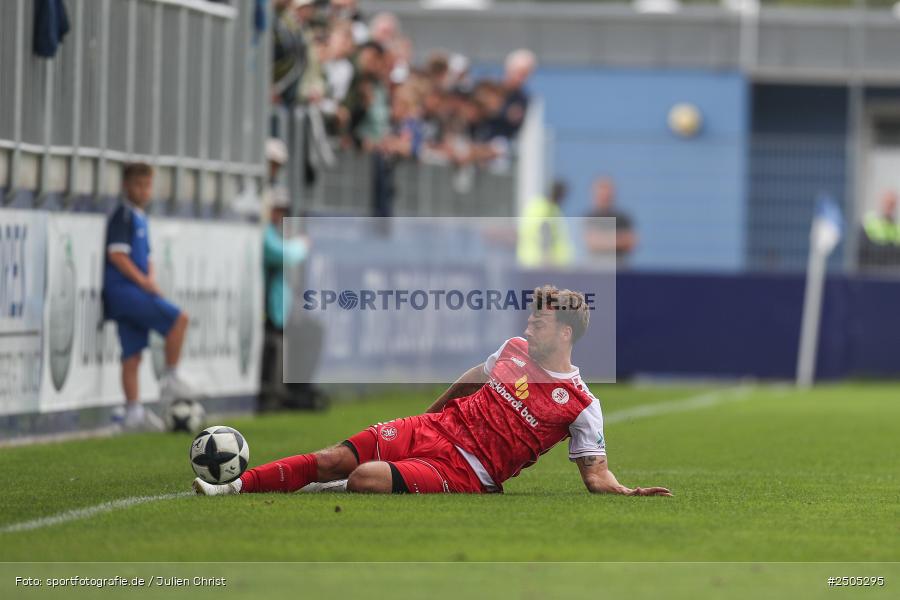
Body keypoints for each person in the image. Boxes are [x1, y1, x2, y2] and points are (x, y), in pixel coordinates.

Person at [194, 285, 672, 497]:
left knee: (364, 479)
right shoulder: (513, 348)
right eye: (531, 316)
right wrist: (426, 417)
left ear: (565, 333)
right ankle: (233, 486)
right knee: (331, 458)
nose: (530, 323)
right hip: (433, 429)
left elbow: (596, 475)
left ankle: (332, 487)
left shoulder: (583, 405)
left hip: (469, 470)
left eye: (540, 320)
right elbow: (472, 377)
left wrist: (627, 491)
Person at [103, 163, 192, 431]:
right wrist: (144, 283)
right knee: (179, 319)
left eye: (147, 185)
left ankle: (132, 413)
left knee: (132, 355)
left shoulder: (140, 217)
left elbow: (148, 256)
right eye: (138, 185)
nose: (143, 190)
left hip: (134, 292)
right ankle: (171, 380)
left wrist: (150, 279)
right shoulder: (123, 216)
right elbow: (116, 254)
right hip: (125, 292)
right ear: (126, 186)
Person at [517, 181, 574, 268]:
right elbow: (545, 229)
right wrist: (547, 256)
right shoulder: (545, 208)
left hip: (534, 262)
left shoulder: (540, 206)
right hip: (541, 263)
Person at [584, 176, 637, 261]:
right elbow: (587, 243)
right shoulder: (587, 218)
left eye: (607, 192)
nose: (605, 196)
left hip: (619, 267)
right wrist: (617, 239)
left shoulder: (622, 218)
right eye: (601, 192)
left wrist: (601, 240)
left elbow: (631, 242)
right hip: (594, 268)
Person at [859, 190, 900, 269]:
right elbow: (863, 253)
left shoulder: (897, 228)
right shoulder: (869, 224)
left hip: (893, 274)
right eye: (887, 203)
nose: (889, 207)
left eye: (891, 204)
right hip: (872, 273)